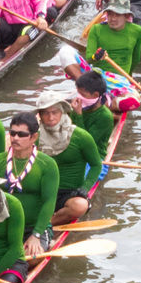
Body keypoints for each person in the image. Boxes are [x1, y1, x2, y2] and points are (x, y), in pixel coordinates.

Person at [0, 112, 60, 258]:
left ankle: (44, 241)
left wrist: (36, 234)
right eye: (13, 133)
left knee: (32, 258)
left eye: (21, 134)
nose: (15, 138)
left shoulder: (47, 165)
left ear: (34, 137)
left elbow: (49, 202)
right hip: (4, 226)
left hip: (32, 227)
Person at [33, 87, 104, 224]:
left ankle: (46, 225)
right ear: (40, 115)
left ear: (62, 112)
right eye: (46, 113)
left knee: (80, 206)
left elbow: (96, 165)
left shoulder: (81, 136)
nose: (51, 117)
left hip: (68, 194)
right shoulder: (33, 136)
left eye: (55, 112)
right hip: (42, 191)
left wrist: (85, 188)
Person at [67, 68, 117, 154]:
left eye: (83, 94)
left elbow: (85, 142)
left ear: (95, 95)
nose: (79, 97)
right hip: (74, 150)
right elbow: (70, 130)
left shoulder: (105, 116)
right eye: (78, 93)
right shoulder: (79, 107)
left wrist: (79, 115)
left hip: (94, 154)